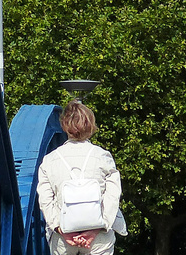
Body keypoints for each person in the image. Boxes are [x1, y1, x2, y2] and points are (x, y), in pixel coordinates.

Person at [36, 101, 127, 253]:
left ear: (64, 125)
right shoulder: (102, 156)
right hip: (98, 236)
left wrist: (61, 230)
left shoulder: (49, 160)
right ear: (90, 125)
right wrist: (97, 228)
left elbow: (46, 201)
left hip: (64, 236)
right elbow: (112, 196)